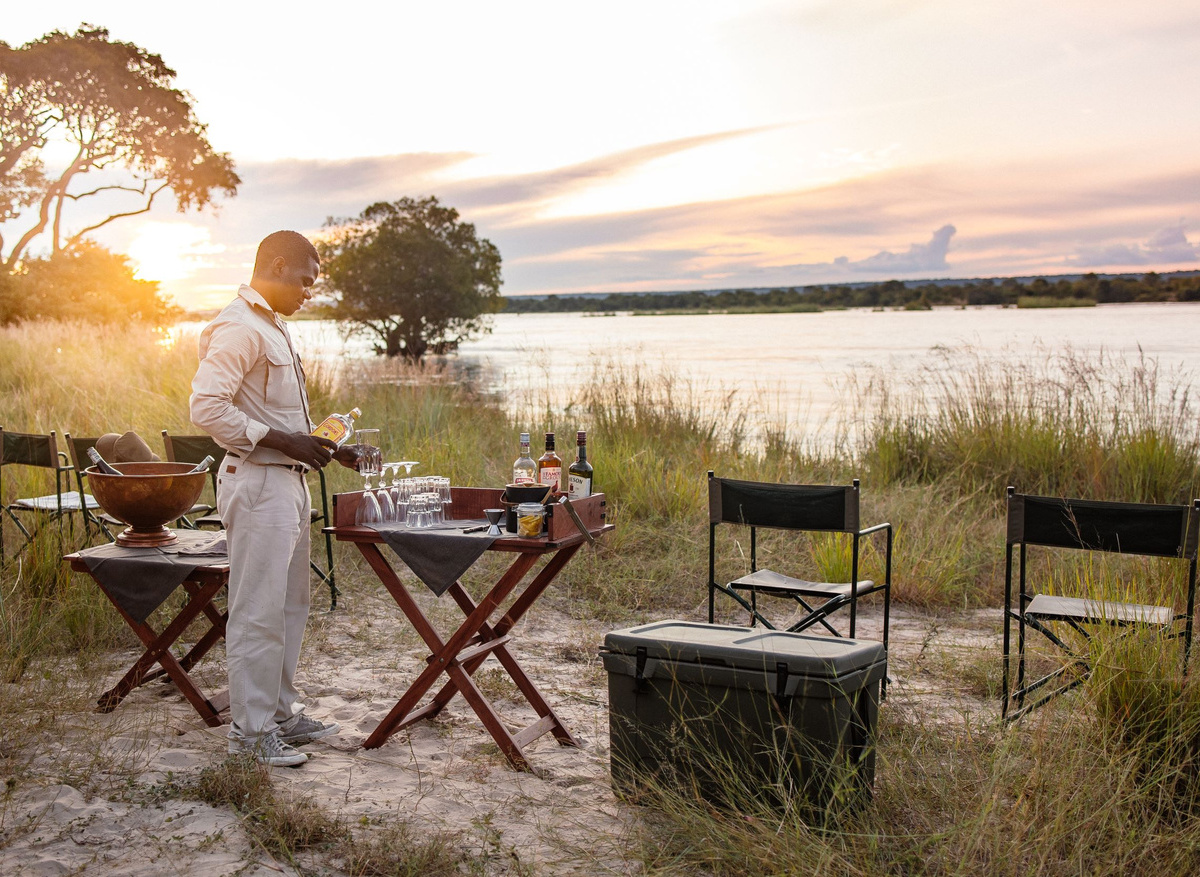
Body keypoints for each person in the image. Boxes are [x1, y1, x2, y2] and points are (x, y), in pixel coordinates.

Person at [190, 230, 360, 767]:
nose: (309, 292)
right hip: (258, 482)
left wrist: (329, 448)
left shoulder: (273, 325)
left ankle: (281, 713)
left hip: (288, 482)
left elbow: (273, 414)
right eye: (305, 281)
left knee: (290, 606)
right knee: (257, 610)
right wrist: (285, 442)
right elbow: (207, 408)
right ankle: (251, 734)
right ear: (279, 265)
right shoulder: (239, 326)